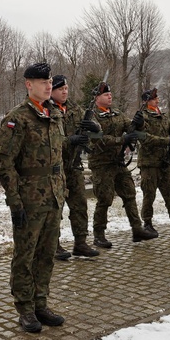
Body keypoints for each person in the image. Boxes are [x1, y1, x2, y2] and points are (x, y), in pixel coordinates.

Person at [0, 62, 67, 333]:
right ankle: (25, 308)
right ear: (29, 85)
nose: (49, 86)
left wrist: (63, 192)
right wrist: (15, 201)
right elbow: (6, 164)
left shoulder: (54, 115)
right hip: (29, 199)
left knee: (47, 253)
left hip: (53, 197)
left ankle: (41, 302)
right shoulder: (18, 118)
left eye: (50, 81)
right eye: (42, 82)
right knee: (25, 255)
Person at [87, 83, 155, 248]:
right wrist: (121, 140)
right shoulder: (91, 116)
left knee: (129, 193)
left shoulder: (117, 113)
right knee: (104, 198)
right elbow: (98, 138)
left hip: (118, 162)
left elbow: (129, 126)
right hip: (101, 163)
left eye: (110, 94)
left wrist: (139, 123)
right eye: (105, 95)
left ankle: (137, 229)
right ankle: (99, 234)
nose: (109, 96)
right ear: (96, 98)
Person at [49, 74, 101, 259]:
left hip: (74, 166)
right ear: (52, 90)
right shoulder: (46, 109)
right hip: (55, 167)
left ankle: (80, 242)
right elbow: (48, 140)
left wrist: (95, 128)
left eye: (66, 89)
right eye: (61, 89)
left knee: (79, 205)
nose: (65, 92)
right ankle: (53, 245)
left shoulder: (75, 109)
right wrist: (69, 140)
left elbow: (93, 131)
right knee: (56, 208)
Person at [136, 87, 170, 237]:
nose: (157, 100)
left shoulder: (162, 117)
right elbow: (145, 138)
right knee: (149, 195)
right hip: (149, 164)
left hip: (164, 163)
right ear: (146, 101)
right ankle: (148, 223)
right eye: (154, 98)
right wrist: (168, 141)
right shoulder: (141, 118)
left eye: (157, 98)